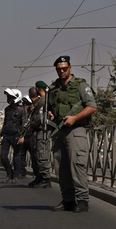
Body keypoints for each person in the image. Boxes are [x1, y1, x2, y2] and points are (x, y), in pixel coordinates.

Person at [48, 56, 97, 213]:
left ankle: (82, 200)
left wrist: (74, 117)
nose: (62, 71)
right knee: (61, 168)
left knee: (77, 166)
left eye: (64, 68)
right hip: (59, 131)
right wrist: (51, 114)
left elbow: (91, 106)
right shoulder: (54, 88)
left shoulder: (81, 85)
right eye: (59, 69)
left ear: (70, 68)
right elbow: (50, 107)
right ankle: (67, 200)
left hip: (76, 130)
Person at [27, 80, 52, 188]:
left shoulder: (43, 101)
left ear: (38, 89)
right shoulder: (42, 101)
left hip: (43, 130)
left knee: (42, 154)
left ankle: (46, 178)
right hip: (39, 130)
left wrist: (32, 124)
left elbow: (40, 118)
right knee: (38, 154)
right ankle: (40, 177)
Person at [0, 88, 26, 184]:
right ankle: (9, 174)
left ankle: (16, 176)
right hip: (7, 135)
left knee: (16, 156)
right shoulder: (7, 109)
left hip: (16, 135)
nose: (9, 99)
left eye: (10, 97)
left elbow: (24, 124)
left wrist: (22, 136)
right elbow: (5, 123)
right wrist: (0, 134)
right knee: (3, 156)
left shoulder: (22, 110)